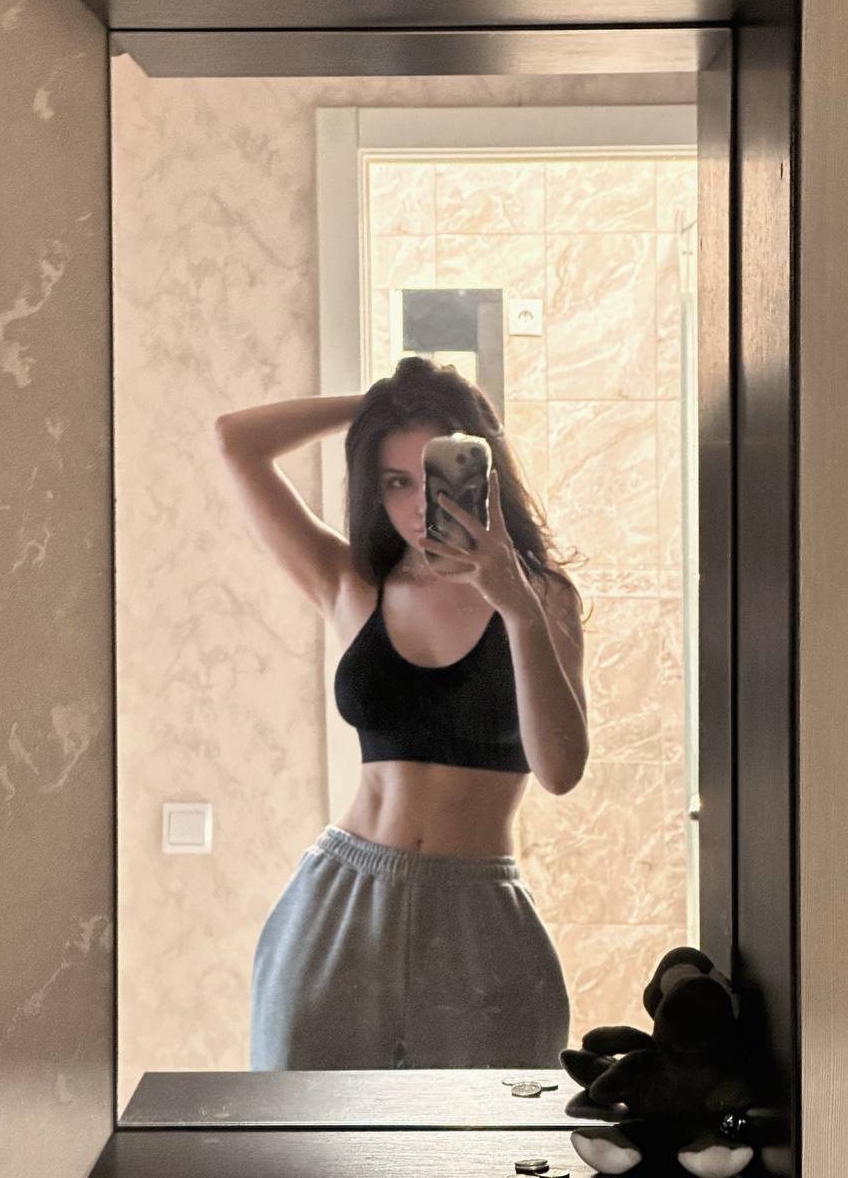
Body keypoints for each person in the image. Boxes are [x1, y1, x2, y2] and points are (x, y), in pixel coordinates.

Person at [214, 356, 590, 1071]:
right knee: (304, 1126)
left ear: (485, 472)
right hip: (340, 902)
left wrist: (515, 605)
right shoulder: (351, 583)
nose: (420, 503)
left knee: (490, 1130)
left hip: (479, 910)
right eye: (396, 482)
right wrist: (386, 402)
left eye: (436, 474)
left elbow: (561, 770)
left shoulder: (542, 599)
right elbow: (236, 440)